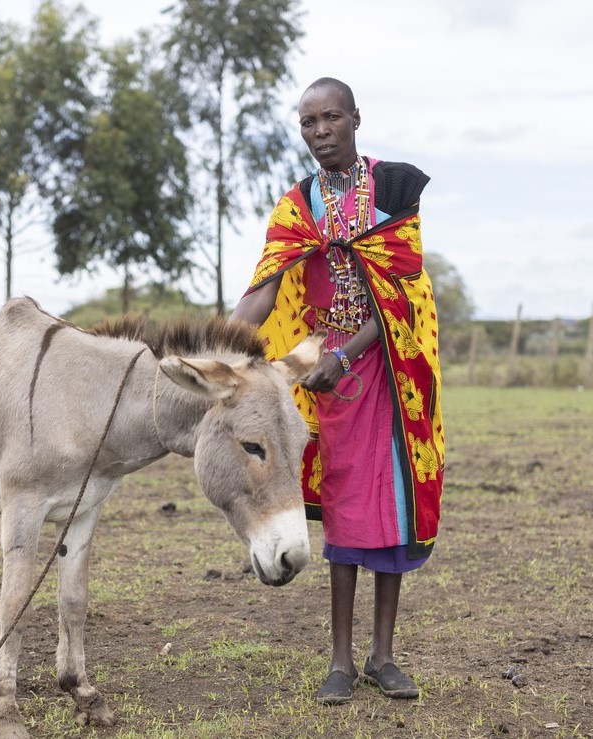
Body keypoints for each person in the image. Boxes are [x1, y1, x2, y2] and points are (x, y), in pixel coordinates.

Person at [230, 77, 445, 705]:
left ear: (355, 119)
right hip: (320, 374)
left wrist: (344, 355)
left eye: (331, 118)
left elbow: (401, 297)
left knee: (390, 510)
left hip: (385, 369)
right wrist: (214, 346)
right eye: (308, 123)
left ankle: (384, 657)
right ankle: (342, 662)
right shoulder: (297, 207)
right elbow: (264, 291)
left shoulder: (395, 191)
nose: (320, 131)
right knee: (346, 511)